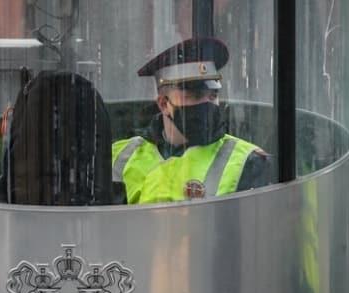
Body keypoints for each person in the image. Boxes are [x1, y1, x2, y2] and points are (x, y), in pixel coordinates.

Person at [112, 37, 271, 205]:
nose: (207, 104)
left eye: (213, 95)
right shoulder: (120, 156)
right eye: (195, 96)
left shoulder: (250, 162)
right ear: (164, 104)